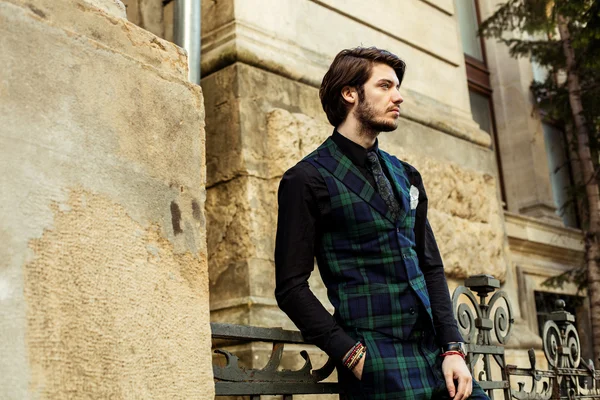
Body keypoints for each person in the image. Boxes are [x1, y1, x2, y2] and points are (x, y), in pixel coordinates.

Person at [274, 47, 489, 400]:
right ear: (350, 93)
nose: (399, 96)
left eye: (398, 87)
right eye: (385, 86)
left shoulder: (406, 174)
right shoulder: (307, 179)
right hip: (376, 364)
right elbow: (290, 287)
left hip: (437, 360)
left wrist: (452, 348)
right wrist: (351, 355)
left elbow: (431, 267)